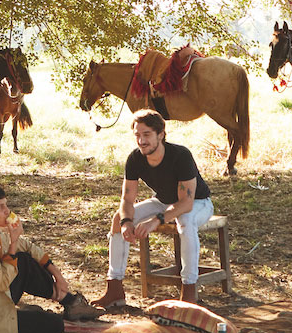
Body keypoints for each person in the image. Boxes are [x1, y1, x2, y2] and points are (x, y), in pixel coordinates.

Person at [0, 184, 102, 333]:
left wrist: (57, 274)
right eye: (0, 208)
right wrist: (13, 244)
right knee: (54, 324)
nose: (7, 212)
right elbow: (1, 282)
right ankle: (32, 313)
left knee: (24, 260)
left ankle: (68, 301)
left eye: (6, 205)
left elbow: (27, 247)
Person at [91, 112, 215, 309]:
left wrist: (156, 220)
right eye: (137, 135)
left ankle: (189, 290)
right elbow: (127, 199)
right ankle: (115, 288)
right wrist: (126, 223)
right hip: (163, 202)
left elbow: (186, 203)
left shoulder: (181, 156)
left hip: (198, 203)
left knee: (185, 221)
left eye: (147, 134)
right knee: (117, 219)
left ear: (161, 134)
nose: (141, 140)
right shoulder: (135, 158)